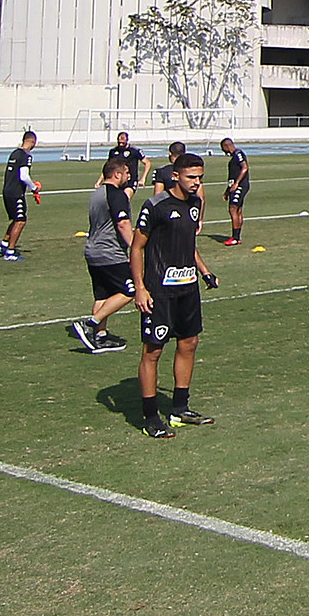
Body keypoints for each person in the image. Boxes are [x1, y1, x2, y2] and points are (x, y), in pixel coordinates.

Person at [130, 153, 218, 439]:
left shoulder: (195, 205)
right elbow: (136, 248)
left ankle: (180, 408)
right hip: (159, 291)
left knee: (189, 342)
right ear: (176, 176)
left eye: (200, 178)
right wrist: (140, 288)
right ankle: (150, 416)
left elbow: (187, 244)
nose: (197, 183)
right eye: (192, 177)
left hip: (187, 286)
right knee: (153, 350)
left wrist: (204, 271)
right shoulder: (156, 206)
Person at [72, 158, 137, 352]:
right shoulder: (117, 195)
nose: (129, 177)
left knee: (103, 295)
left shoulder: (97, 193)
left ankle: (99, 336)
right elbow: (122, 223)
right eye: (126, 173)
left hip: (92, 251)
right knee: (130, 290)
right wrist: (135, 248)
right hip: (110, 252)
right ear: (117, 174)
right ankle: (91, 324)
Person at [0, 130, 39, 261]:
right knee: (20, 221)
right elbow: (24, 176)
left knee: (15, 219)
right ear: (32, 142)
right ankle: (10, 251)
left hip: (7, 190)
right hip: (16, 192)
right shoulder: (26, 155)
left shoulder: (15, 152)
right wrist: (34, 188)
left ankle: (3, 244)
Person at [218, 137, 251, 244]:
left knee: (233, 209)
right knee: (238, 210)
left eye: (223, 149)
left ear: (226, 146)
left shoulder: (238, 154)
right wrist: (227, 191)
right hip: (236, 186)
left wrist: (237, 184)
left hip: (240, 186)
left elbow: (245, 167)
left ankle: (235, 238)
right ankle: (237, 237)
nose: (224, 152)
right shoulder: (234, 157)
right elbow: (232, 176)